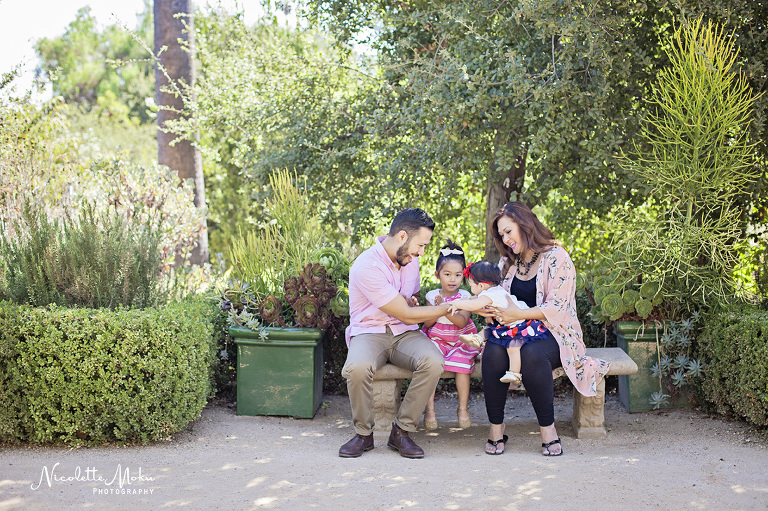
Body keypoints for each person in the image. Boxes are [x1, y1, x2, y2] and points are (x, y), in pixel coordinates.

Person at [478, 202, 609, 456]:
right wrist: (491, 310)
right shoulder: (508, 263)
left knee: (532, 354)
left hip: (554, 333)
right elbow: (499, 298)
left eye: (508, 231)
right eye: (501, 235)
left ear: (524, 225)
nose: (505, 240)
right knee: (493, 350)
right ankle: (496, 427)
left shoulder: (556, 257)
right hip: (515, 332)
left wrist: (518, 314)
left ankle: (548, 430)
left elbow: (558, 307)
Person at [338, 208, 456, 459]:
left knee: (433, 361)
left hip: (404, 334)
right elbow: (402, 312)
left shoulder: (410, 261)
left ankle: (401, 432)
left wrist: (412, 302)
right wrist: (449, 307)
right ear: (402, 236)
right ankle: (363, 434)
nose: (421, 252)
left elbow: (407, 305)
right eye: (420, 245)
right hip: (369, 333)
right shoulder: (366, 265)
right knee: (357, 367)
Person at [446, 260, 550, 386]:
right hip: (509, 322)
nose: (471, 289)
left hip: (519, 324)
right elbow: (472, 299)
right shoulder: (493, 290)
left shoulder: (490, 295)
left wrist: (456, 304)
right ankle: (478, 338)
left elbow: (474, 304)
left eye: (471, 285)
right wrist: (462, 300)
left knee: (513, 346)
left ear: (481, 286)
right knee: (490, 328)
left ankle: (515, 373)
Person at [420, 240, 480, 430]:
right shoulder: (432, 295)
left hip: (461, 339)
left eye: (457, 275)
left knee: (462, 366)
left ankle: (463, 409)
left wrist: (446, 310)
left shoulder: (464, 296)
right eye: (447, 274)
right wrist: (436, 309)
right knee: (431, 365)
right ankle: (429, 410)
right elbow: (427, 324)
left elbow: (462, 322)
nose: (452, 279)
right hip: (438, 338)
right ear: (438, 275)